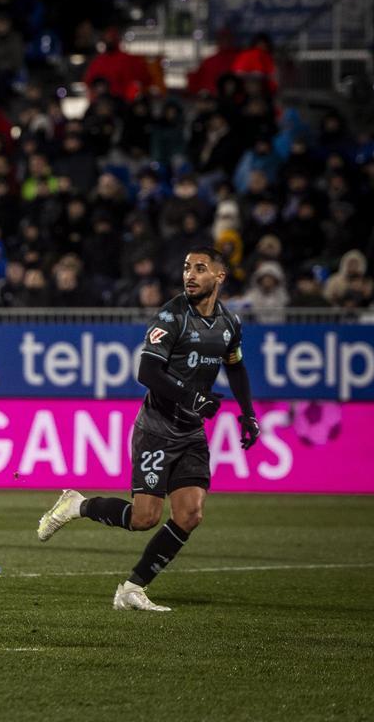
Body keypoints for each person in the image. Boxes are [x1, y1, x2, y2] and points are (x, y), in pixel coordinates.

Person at [37, 247, 260, 611]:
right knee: (144, 518)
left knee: (190, 514)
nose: (190, 275)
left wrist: (248, 414)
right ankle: (77, 505)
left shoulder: (229, 324)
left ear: (219, 276)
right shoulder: (172, 316)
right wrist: (192, 397)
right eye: (186, 267)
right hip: (157, 428)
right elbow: (148, 372)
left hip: (191, 432)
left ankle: (132, 588)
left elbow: (235, 366)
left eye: (200, 268)